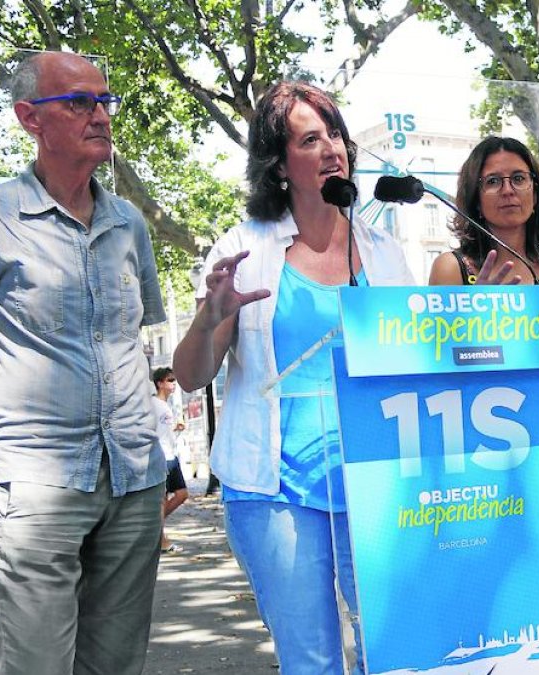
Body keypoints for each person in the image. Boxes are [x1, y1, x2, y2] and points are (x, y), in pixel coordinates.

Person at [0, 52, 167, 674]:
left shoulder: (128, 224)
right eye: (80, 102)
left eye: (105, 101)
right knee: (37, 665)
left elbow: (130, 344)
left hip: (132, 477)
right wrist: (6, 450)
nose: (101, 115)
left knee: (115, 664)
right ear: (30, 118)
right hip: (33, 484)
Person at [172, 80, 413, 675]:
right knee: (311, 662)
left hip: (378, 485)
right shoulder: (242, 248)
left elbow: (418, 366)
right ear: (279, 165)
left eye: (335, 133)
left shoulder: (384, 251)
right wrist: (212, 318)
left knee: (395, 651)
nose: (333, 148)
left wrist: (477, 315)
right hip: (277, 490)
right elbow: (189, 372)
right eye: (311, 139)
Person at [427, 136, 539, 675]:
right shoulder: (451, 269)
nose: (507, 189)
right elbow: (438, 376)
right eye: (493, 180)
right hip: (490, 473)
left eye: (518, 177)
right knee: (501, 610)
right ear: (474, 195)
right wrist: (475, 315)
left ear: (535, 190)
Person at [152, 367, 189, 553]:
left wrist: (176, 428)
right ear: (160, 383)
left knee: (182, 494)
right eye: (169, 380)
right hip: (161, 457)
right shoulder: (153, 404)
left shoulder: (167, 405)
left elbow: (164, 431)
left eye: (174, 380)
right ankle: (161, 539)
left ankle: (151, 529)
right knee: (162, 499)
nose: (173, 384)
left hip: (172, 455)